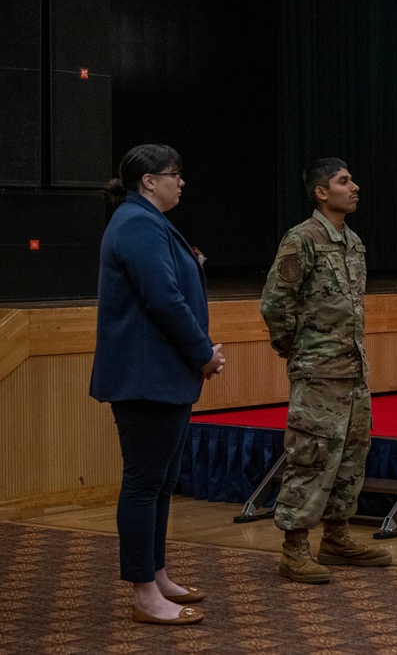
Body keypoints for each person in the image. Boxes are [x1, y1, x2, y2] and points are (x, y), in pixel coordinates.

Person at [90, 144, 226, 626]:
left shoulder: (148, 222)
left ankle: (157, 573)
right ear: (148, 181)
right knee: (145, 483)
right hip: (145, 376)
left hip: (160, 374)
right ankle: (144, 592)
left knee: (163, 482)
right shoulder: (138, 223)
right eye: (174, 174)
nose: (181, 182)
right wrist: (204, 353)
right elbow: (164, 299)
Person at [261, 157, 391, 584]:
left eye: (352, 180)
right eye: (343, 181)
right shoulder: (303, 240)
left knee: (351, 458)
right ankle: (294, 548)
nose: (354, 187)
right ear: (321, 192)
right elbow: (276, 304)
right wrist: (298, 351)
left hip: (353, 372)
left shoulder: (352, 242)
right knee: (311, 457)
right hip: (319, 373)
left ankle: (336, 537)